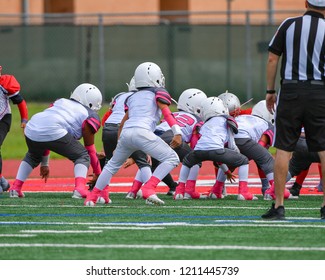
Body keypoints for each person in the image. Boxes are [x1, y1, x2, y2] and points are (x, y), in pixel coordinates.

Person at [84, 62, 182, 206]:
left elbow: (123, 122)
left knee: (111, 166)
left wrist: (119, 143)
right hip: (142, 132)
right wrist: (177, 132)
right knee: (172, 158)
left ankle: (91, 197)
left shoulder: (133, 97)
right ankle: (149, 187)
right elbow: (167, 113)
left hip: (126, 133)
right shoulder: (158, 93)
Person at [262, 0, 325, 220]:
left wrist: (270, 90)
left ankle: (279, 205)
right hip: (319, 92)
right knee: (323, 148)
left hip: (290, 90)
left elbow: (272, 58)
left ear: (306, 2)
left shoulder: (289, 24)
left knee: (284, 148)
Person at [8, 83, 103, 200]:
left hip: (32, 126)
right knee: (82, 155)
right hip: (52, 129)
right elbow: (90, 150)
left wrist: (45, 164)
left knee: (32, 156)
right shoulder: (89, 114)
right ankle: (79, 189)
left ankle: (15, 188)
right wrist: (99, 174)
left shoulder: (60, 101)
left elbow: (46, 130)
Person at [176, 96, 249, 199]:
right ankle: (243, 192)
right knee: (244, 161)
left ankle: (179, 191)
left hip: (198, 151)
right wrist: (237, 155)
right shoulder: (227, 120)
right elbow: (231, 146)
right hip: (217, 151)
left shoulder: (205, 124)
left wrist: (226, 171)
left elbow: (208, 146)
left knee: (187, 162)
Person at [0, 65, 28, 194]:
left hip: (3, 118)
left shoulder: (4, 83)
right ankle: (2, 182)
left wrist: (24, 120)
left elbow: (20, 102)